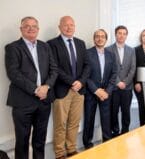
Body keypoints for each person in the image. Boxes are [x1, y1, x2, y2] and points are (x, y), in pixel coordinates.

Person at [5, 16, 57, 159]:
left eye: (34, 26)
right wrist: (36, 89)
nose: (31, 28)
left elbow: (54, 70)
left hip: (44, 101)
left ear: (38, 29)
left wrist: (46, 87)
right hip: (23, 102)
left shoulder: (45, 46)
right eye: (27, 26)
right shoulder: (12, 48)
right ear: (21, 29)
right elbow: (14, 74)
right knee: (22, 142)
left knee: (40, 141)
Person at [47, 16, 89, 159]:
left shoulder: (80, 43)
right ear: (60, 27)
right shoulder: (51, 44)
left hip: (79, 90)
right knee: (60, 124)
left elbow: (87, 66)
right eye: (66, 25)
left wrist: (80, 82)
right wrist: (72, 82)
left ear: (75, 26)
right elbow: (55, 68)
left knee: (74, 123)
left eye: (72, 25)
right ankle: (59, 153)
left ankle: (71, 149)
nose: (69, 27)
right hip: (62, 90)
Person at [82, 29, 117, 149]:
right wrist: (96, 90)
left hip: (106, 93)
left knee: (106, 120)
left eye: (102, 36)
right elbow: (84, 75)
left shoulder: (111, 55)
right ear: (94, 39)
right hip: (91, 92)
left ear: (106, 39)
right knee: (89, 119)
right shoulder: (86, 53)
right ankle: (88, 145)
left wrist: (107, 91)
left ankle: (106, 143)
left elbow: (114, 74)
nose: (100, 38)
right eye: (97, 36)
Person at [106, 25, 136, 137]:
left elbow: (133, 68)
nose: (121, 35)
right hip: (113, 87)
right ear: (115, 34)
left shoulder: (131, 50)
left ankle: (125, 132)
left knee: (126, 112)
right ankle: (115, 132)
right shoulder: (108, 49)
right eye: (119, 33)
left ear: (126, 35)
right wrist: (118, 82)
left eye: (124, 33)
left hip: (127, 87)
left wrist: (125, 82)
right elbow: (108, 68)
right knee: (113, 112)